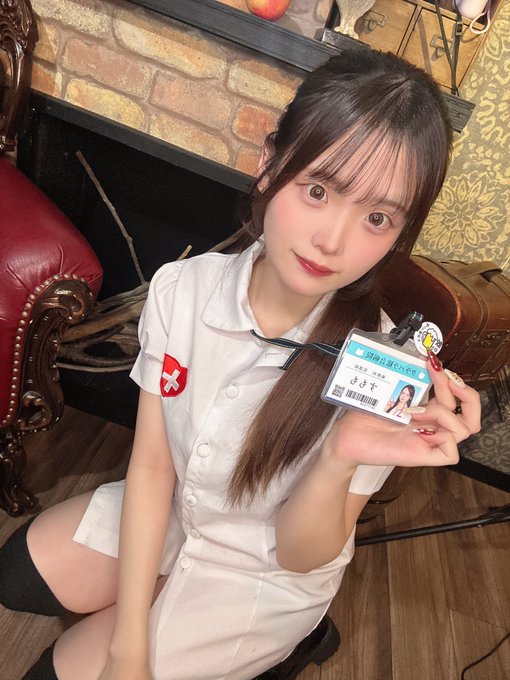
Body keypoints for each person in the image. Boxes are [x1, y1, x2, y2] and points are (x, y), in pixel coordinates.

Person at [0, 49, 481, 680]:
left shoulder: (384, 372)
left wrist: (340, 456)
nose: (332, 241)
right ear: (269, 164)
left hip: (264, 572)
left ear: (400, 232)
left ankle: (295, 637)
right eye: (318, 190)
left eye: (377, 217)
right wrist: (129, 640)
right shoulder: (182, 290)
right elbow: (152, 466)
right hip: (180, 511)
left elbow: (301, 554)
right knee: (17, 575)